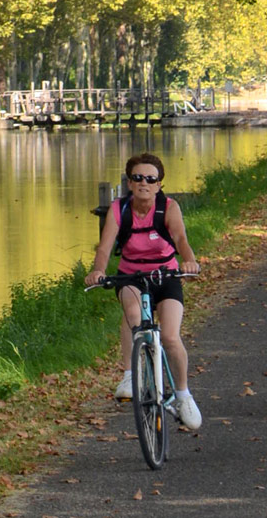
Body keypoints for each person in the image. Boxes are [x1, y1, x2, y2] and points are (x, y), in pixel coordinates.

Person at [86, 152, 203, 430]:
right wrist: (98, 270)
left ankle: (183, 394)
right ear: (129, 182)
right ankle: (129, 375)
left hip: (166, 275)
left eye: (151, 179)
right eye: (137, 178)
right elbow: (104, 248)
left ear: (159, 184)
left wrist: (190, 260)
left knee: (172, 337)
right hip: (132, 275)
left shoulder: (168, 208)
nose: (144, 183)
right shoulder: (119, 209)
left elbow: (180, 239)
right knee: (133, 314)